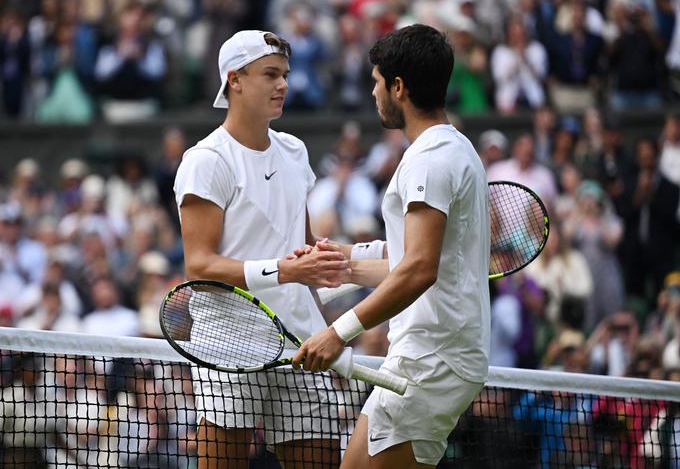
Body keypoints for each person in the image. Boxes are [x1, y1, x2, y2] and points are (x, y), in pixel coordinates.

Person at [292, 24, 490, 468]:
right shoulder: (452, 149)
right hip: (427, 358)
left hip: (431, 359)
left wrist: (337, 333)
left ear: (398, 87)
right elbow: (409, 260)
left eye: (377, 82)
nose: (373, 91)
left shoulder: (430, 159)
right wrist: (340, 261)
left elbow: (419, 269)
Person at [173, 30, 350, 468]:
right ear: (235, 80)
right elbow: (199, 264)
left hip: (299, 342)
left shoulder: (295, 150)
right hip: (228, 345)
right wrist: (285, 272)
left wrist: (376, 261)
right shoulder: (206, 160)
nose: (283, 84)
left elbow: (303, 246)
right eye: (270, 74)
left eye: (285, 74)